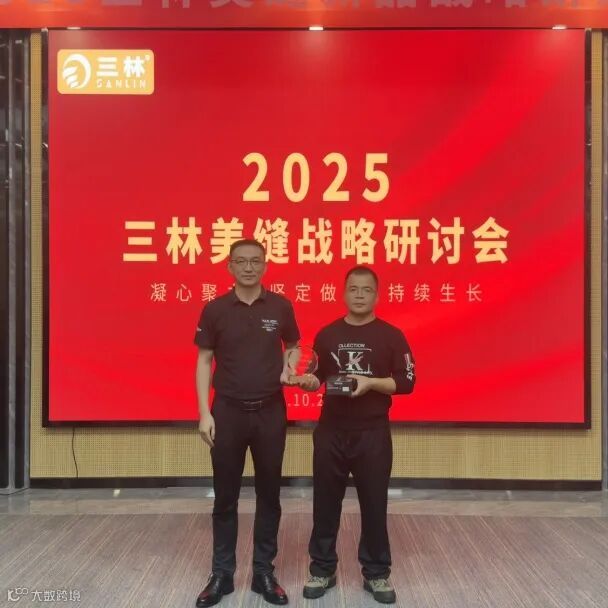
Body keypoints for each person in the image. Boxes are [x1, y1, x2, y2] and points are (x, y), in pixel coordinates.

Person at [294, 266, 416, 605]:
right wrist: (308, 382)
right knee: (325, 503)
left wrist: (371, 383)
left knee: (374, 504)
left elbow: (406, 382)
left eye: (366, 290)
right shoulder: (327, 334)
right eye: (353, 289)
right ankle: (322, 568)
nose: (359, 295)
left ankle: (376, 573)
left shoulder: (392, 336)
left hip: (372, 432)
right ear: (343, 293)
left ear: (377, 295)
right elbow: (317, 377)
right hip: (331, 430)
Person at [194, 239, 300, 607]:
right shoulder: (215, 309)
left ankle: (263, 572)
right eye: (241, 261)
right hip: (228, 412)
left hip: (270, 411)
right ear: (230, 266)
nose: (249, 267)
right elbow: (204, 361)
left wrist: (289, 366)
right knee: (225, 495)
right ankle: (222, 574)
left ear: (266, 265)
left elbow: (293, 345)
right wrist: (204, 412)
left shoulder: (281, 306)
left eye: (255, 261)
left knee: (269, 494)